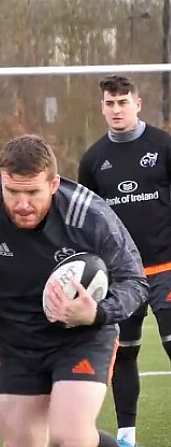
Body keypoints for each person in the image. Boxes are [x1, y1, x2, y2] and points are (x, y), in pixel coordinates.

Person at [0, 134, 149, 447]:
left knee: (70, 438)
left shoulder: (88, 214)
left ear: (52, 184)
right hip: (16, 342)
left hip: (81, 337)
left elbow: (134, 281)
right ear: (0, 182)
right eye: (12, 192)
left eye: (33, 192)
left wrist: (98, 312)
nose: (22, 204)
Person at [77, 75, 171, 447]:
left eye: (123, 102)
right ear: (102, 108)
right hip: (122, 276)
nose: (117, 109)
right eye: (110, 103)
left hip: (167, 268)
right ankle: (127, 435)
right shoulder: (94, 159)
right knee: (125, 352)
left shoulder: (163, 146)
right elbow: (86, 219)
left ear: (138, 103)